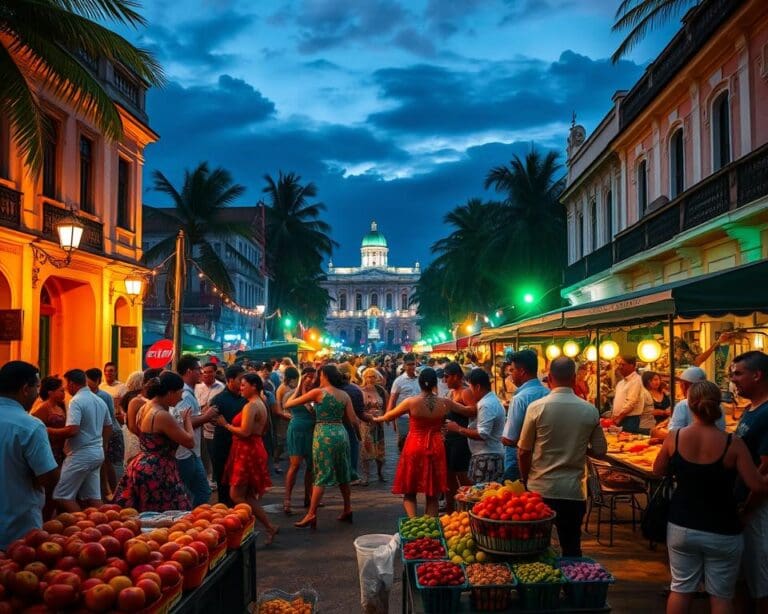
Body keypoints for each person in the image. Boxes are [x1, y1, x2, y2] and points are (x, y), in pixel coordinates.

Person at [654, 380, 768, 614]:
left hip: (682, 525)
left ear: (690, 405)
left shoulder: (674, 438)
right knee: (721, 596)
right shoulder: (733, 444)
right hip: (723, 527)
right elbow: (757, 484)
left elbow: (658, 470)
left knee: (680, 589)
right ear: (718, 405)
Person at [518, 357, 608, 557]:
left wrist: (526, 480)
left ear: (549, 378)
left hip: (540, 488)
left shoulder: (537, 408)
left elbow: (523, 451)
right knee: (572, 547)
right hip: (573, 490)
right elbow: (601, 451)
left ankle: (543, 588)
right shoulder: (589, 410)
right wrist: (579, 447)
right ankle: (572, 587)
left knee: (535, 548)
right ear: (575, 378)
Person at [375, 368, 472, 516]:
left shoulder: (411, 402)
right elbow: (468, 411)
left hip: (414, 444)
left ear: (420, 384)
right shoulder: (445, 402)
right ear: (435, 384)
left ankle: (413, 522)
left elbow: (388, 416)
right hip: (436, 445)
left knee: (410, 490)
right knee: (432, 493)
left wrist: (374, 418)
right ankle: (430, 526)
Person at [284, 365, 359, 529]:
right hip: (340, 433)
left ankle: (311, 513)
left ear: (324, 375)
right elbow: (353, 420)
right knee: (343, 472)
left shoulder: (318, 393)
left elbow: (289, 403)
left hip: (323, 433)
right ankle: (347, 508)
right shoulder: (344, 395)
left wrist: (300, 388)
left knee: (321, 474)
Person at [114, 371, 193, 512]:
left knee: (141, 515)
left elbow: (134, 429)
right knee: (166, 517)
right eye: (180, 392)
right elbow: (190, 441)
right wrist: (187, 420)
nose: (181, 397)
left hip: (142, 464)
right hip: (158, 470)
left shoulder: (146, 406)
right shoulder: (161, 415)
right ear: (170, 393)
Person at [0, 361, 59, 549]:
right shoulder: (29, 426)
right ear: (26, 388)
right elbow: (48, 477)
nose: (37, 394)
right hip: (17, 529)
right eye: (36, 387)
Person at [217, 373, 279, 544]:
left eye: (243, 385)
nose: (240, 388)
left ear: (254, 386)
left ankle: (247, 528)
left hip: (247, 450)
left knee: (236, 495)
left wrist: (226, 425)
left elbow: (245, 432)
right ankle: (268, 526)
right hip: (252, 448)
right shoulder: (261, 402)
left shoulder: (251, 406)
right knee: (247, 495)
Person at [731, 351, 768, 612]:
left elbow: (766, 467)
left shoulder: (766, 413)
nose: (733, 380)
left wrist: (749, 506)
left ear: (757, 375)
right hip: (744, 503)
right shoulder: (750, 410)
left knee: (760, 576)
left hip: (758, 508)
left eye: (738, 373)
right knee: (744, 574)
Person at [52, 369, 113, 512]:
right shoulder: (99, 400)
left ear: (72, 384)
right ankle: (103, 526)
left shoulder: (76, 401)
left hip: (81, 454)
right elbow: (109, 426)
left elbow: (73, 429)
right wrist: (102, 444)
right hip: (96, 453)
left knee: (62, 496)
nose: (66, 389)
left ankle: (83, 526)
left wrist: (48, 430)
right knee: (93, 498)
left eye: (67, 385)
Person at [446, 368, 506, 484]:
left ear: (477, 387)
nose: (470, 391)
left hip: (488, 457)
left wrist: (458, 429)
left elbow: (482, 434)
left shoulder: (486, 404)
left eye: (471, 387)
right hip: (485, 455)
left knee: (482, 497)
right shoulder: (489, 401)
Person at [171, 355, 216, 507]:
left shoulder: (188, 392)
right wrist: (207, 416)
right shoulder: (183, 394)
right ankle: (188, 521)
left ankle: (193, 521)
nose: (201, 372)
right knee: (190, 493)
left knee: (202, 492)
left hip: (192, 452)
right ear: (189, 371)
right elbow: (182, 422)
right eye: (198, 369)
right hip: (185, 453)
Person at [501, 350, 549, 481]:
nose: (510, 375)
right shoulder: (548, 393)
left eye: (512, 370)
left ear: (521, 371)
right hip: (543, 461)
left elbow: (510, 439)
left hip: (519, 463)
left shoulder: (520, 398)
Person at [652, 367, 726, 439]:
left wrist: (657, 432)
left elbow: (674, 435)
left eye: (681, 383)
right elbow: (721, 428)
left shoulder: (683, 405)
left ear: (685, 385)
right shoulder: (718, 404)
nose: (680, 386)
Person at [209, 365, 246, 506]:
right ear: (230, 380)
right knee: (224, 487)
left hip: (241, 449)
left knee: (239, 487)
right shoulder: (219, 399)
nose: (243, 383)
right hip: (223, 447)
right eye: (240, 379)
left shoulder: (245, 399)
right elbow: (211, 419)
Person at [86, 367, 124, 499]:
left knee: (111, 463)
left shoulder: (103, 396)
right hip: (99, 434)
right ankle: (106, 493)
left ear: (97, 381)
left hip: (110, 432)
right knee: (103, 464)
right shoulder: (90, 395)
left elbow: (110, 419)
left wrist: (106, 439)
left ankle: (117, 493)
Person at [284, 367, 317, 514]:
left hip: (312, 431)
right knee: (295, 465)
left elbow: (313, 410)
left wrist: (306, 393)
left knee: (311, 466)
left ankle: (308, 496)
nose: (310, 379)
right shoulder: (292, 393)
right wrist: (300, 389)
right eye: (307, 377)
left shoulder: (316, 394)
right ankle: (287, 499)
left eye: (312, 377)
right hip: (297, 430)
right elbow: (286, 405)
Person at [442, 362, 474, 512]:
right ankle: (452, 509)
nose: (445, 380)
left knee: (462, 475)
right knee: (448, 476)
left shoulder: (465, 392)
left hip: (461, 440)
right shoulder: (451, 393)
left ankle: (470, 507)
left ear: (456, 376)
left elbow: (472, 411)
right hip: (449, 440)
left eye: (447, 377)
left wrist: (453, 405)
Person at [196, 362, 224, 489]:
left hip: (214, 427)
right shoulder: (197, 388)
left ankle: (214, 479)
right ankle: (207, 478)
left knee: (214, 454)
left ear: (215, 373)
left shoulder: (221, 388)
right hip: (199, 426)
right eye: (204, 372)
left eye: (209, 372)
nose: (206, 375)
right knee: (203, 454)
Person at [360, 367, 388, 485]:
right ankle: (366, 476)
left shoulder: (381, 390)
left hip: (379, 423)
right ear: (364, 378)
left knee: (380, 450)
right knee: (366, 450)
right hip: (366, 424)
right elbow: (358, 408)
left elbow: (386, 405)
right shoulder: (360, 391)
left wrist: (386, 417)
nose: (370, 379)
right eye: (368, 376)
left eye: (373, 377)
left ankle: (380, 473)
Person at [388, 353, 421, 452]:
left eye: (413, 364)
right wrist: (391, 418)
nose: (411, 367)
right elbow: (392, 400)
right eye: (409, 364)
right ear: (404, 365)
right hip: (403, 419)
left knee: (417, 446)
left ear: (416, 364)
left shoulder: (421, 379)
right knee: (403, 446)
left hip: (419, 417)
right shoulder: (399, 381)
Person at [32, 375, 67, 466]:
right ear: (51, 393)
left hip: (61, 449)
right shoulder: (43, 407)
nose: (64, 394)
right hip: (49, 449)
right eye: (61, 391)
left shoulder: (60, 406)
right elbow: (36, 429)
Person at [339, 364, 365, 482]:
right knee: (352, 448)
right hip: (350, 425)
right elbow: (359, 413)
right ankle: (351, 474)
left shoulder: (329, 390)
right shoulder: (354, 389)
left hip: (333, 425)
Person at [612, 355, 645, 433]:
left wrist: (619, 417)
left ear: (632, 366)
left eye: (623, 364)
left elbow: (631, 402)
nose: (620, 367)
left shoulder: (637, 381)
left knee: (629, 442)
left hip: (630, 420)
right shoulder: (620, 383)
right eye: (619, 364)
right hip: (619, 419)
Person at [120, 371, 144, 465]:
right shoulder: (138, 398)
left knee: (129, 461)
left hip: (127, 431)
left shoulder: (126, 396)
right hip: (136, 432)